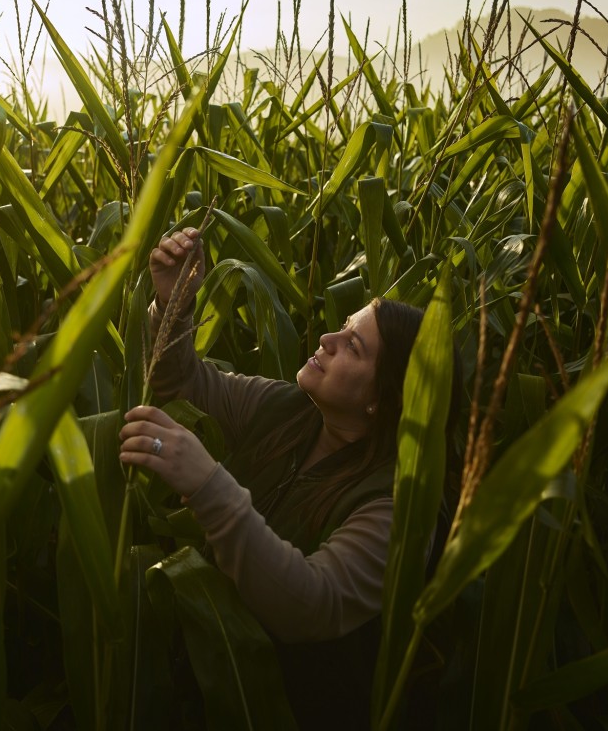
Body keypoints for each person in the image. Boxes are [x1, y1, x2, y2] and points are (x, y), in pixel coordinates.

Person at [118, 227, 461, 729]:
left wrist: (208, 483)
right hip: (205, 686)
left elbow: (312, 602)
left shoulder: (399, 506)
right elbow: (183, 382)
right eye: (342, 327)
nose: (326, 339)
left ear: (381, 400)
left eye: (352, 347)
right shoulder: (287, 409)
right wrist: (175, 306)